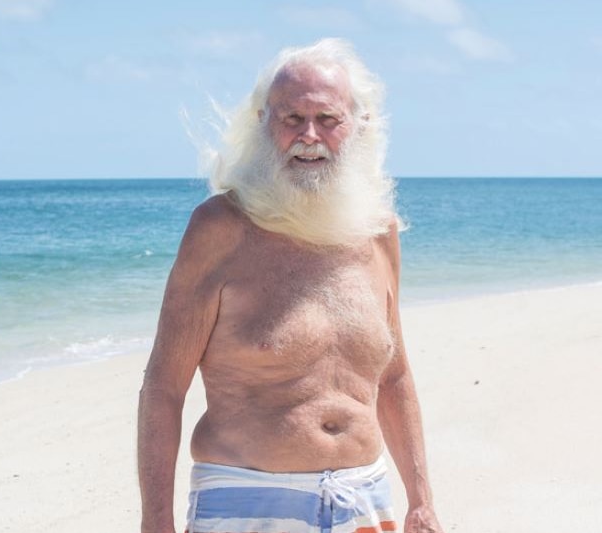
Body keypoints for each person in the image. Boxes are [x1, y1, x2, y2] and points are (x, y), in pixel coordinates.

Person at [138, 38, 444, 533]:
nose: (309, 135)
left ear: (358, 126)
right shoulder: (220, 228)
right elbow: (163, 386)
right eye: (291, 119)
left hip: (365, 498)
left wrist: (422, 501)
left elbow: (394, 377)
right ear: (263, 124)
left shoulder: (377, 231)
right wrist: (156, 521)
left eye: (327, 119)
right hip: (246, 501)